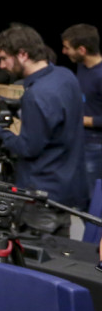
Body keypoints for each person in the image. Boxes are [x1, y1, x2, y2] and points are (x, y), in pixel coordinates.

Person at [0, 25, 88, 234]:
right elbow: (52, 112)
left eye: (5, 58)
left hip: (39, 196)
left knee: (31, 262)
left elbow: (27, 147)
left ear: (23, 55)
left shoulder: (37, 95)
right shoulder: (65, 76)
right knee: (56, 262)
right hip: (63, 191)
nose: (2, 65)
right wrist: (4, 101)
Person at [63, 24, 102, 190]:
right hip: (81, 141)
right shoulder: (82, 67)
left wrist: (83, 120)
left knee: (92, 197)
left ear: (82, 50)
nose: (64, 52)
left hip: (96, 145)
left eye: (67, 48)